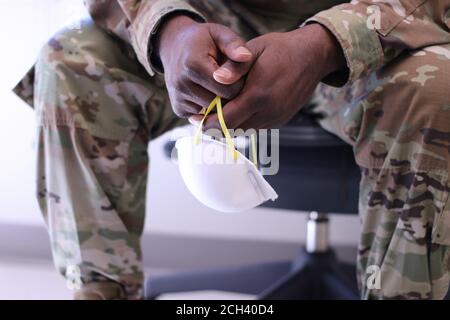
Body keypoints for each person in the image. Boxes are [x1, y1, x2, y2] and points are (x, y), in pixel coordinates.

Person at [13, 0, 450, 300]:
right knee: (70, 59)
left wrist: (326, 43)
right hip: (204, 26)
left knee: (435, 89)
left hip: (371, 26)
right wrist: (169, 31)